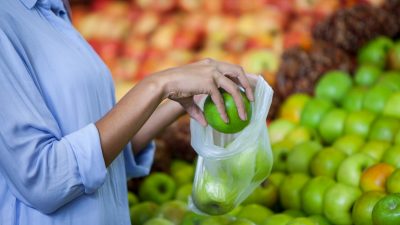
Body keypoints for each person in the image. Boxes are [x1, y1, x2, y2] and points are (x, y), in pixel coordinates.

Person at [0, 0, 256, 224]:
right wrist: (158, 85)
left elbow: (99, 158)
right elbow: (45, 178)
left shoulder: (52, 10)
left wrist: (180, 102)